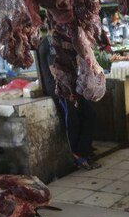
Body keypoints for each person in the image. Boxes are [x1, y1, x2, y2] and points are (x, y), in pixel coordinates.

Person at [36, 34, 100, 170]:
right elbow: (55, 71)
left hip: (71, 84)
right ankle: (79, 156)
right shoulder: (50, 41)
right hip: (60, 88)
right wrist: (70, 92)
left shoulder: (61, 39)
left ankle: (83, 150)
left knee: (90, 114)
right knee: (72, 119)